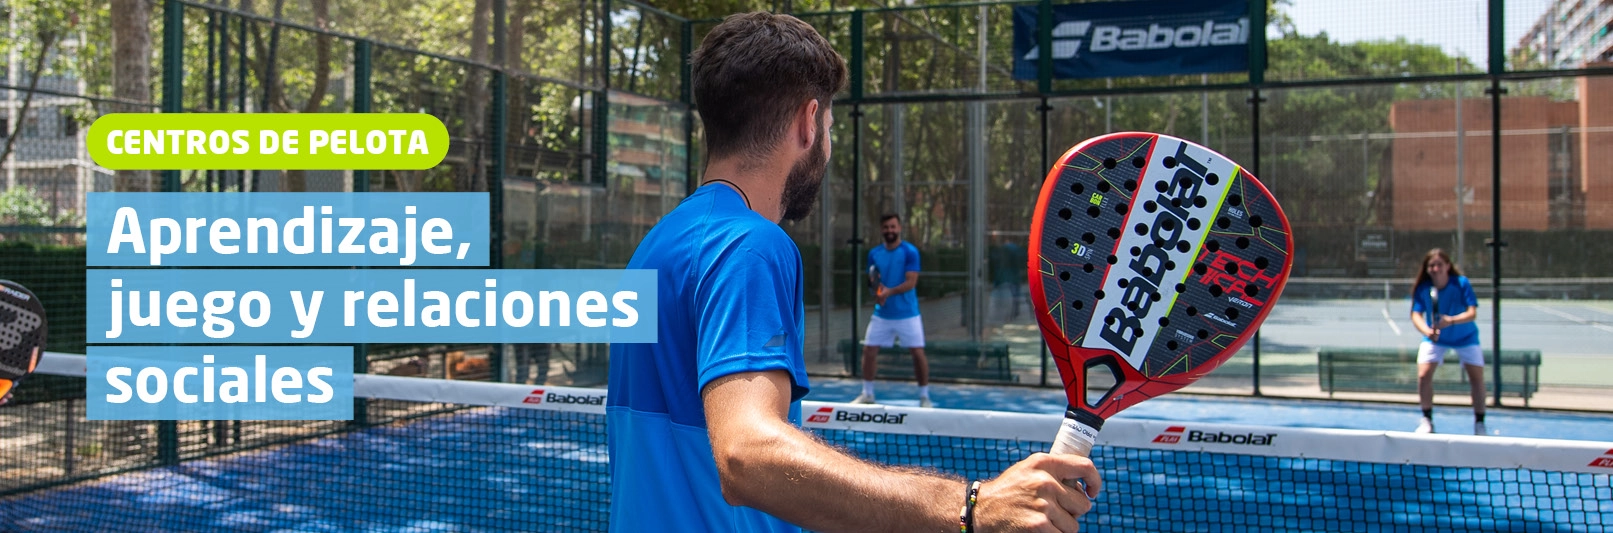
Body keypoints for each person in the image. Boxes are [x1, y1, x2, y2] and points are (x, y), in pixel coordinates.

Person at [606, 12, 1101, 533]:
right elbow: (747, 455)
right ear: (807, 121)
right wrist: (972, 508)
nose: (829, 145)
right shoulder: (751, 246)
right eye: (830, 129)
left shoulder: (655, 246)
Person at [853, 214, 930, 407]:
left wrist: (888, 292)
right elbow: (873, 281)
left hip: (908, 314)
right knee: (869, 351)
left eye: (893, 227)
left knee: (917, 354)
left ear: (899, 228)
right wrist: (879, 294)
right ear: (882, 230)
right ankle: (867, 393)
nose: (890, 230)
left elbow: (911, 282)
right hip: (882, 314)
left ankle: (924, 396)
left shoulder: (910, 252)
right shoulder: (874, 254)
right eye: (886, 227)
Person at [1407, 248, 1486, 435]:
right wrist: (1428, 330)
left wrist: (1450, 321)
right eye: (1431, 265)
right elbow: (1416, 314)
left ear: (1448, 266)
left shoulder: (1461, 283)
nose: (1435, 268)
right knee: (1423, 375)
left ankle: (1479, 423)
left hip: (1466, 337)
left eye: (1439, 265)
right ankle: (1427, 419)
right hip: (1435, 339)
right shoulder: (1423, 288)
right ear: (1427, 269)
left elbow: (1472, 313)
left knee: (1477, 378)